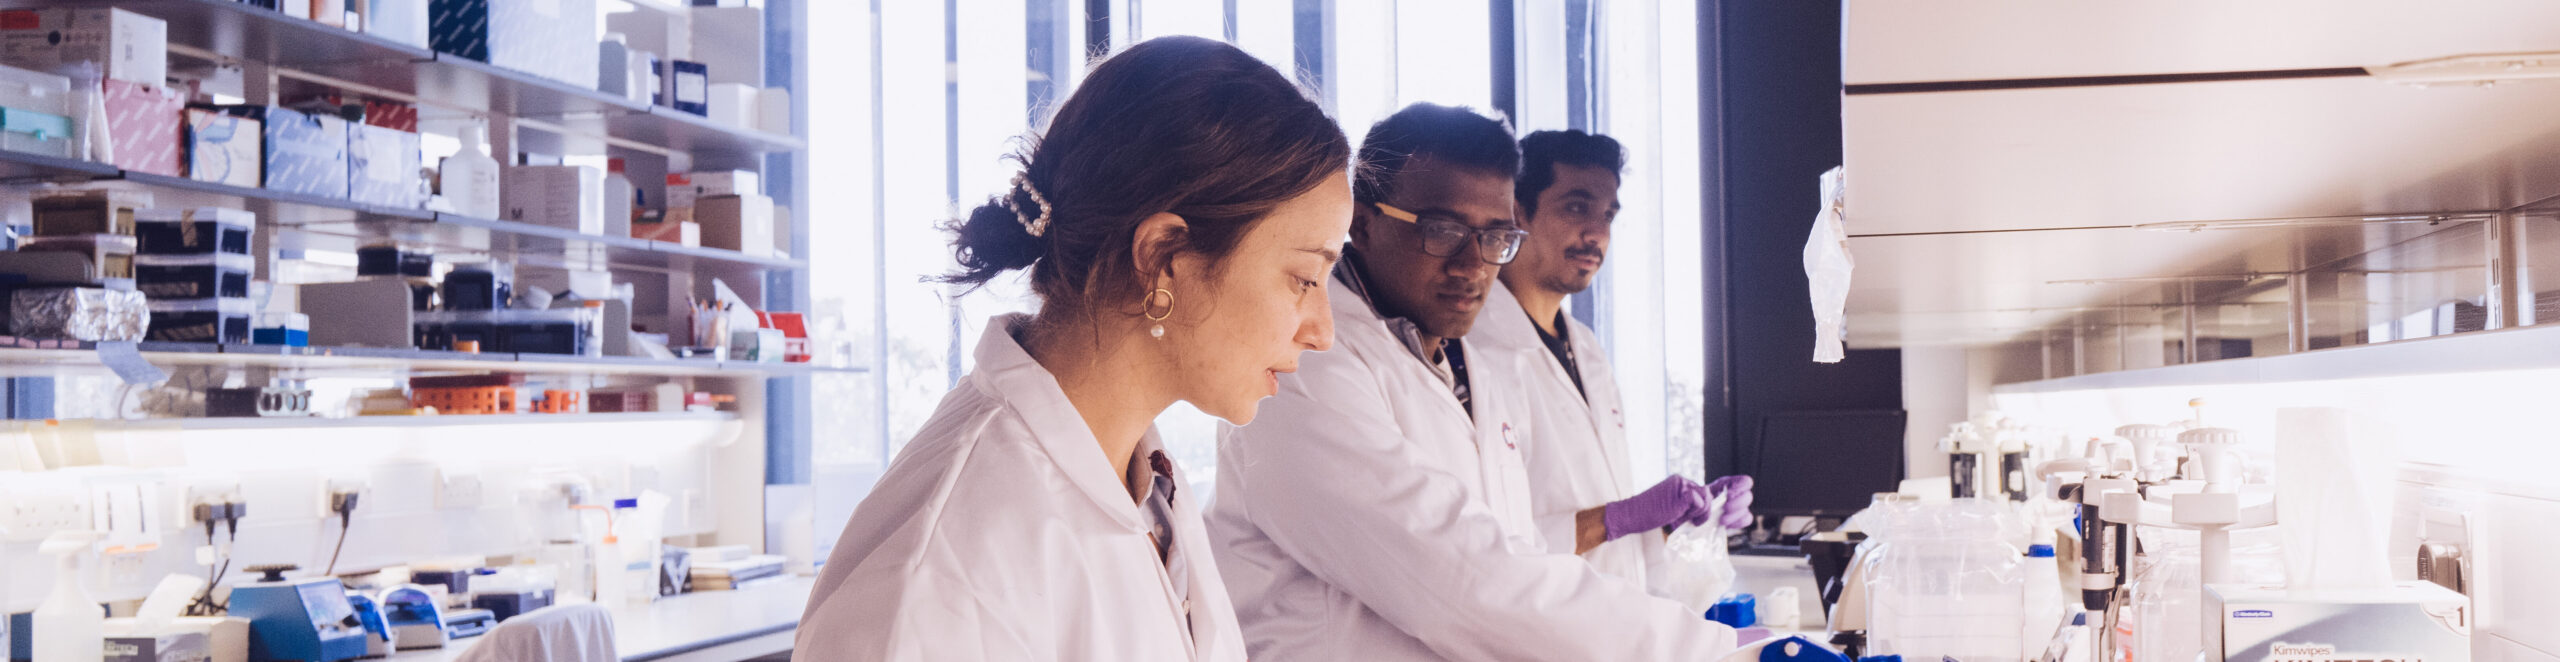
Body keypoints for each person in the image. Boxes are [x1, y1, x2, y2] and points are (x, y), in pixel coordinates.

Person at [794, 36, 1353, 661]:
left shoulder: (1145, 484)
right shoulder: (946, 575)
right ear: (1163, 257)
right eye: (1305, 278)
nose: (1322, 332)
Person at [1205, 103, 1742, 661]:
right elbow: (1461, 579)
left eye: (1496, 237)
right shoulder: (1306, 367)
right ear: (1362, 225)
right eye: (1442, 231)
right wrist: (1707, 649)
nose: (1473, 265)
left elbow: (1516, 549)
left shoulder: (1465, 364)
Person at [1475, 129, 1754, 598]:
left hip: (1604, 620)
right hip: (1530, 621)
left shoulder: (1586, 349)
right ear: (1517, 211)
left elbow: (1607, 538)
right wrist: (1620, 517)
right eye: (1576, 207)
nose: (1597, 234)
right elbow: (1484, 546)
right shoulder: (1475, 349)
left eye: (1608, 215)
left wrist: (1678, 518)